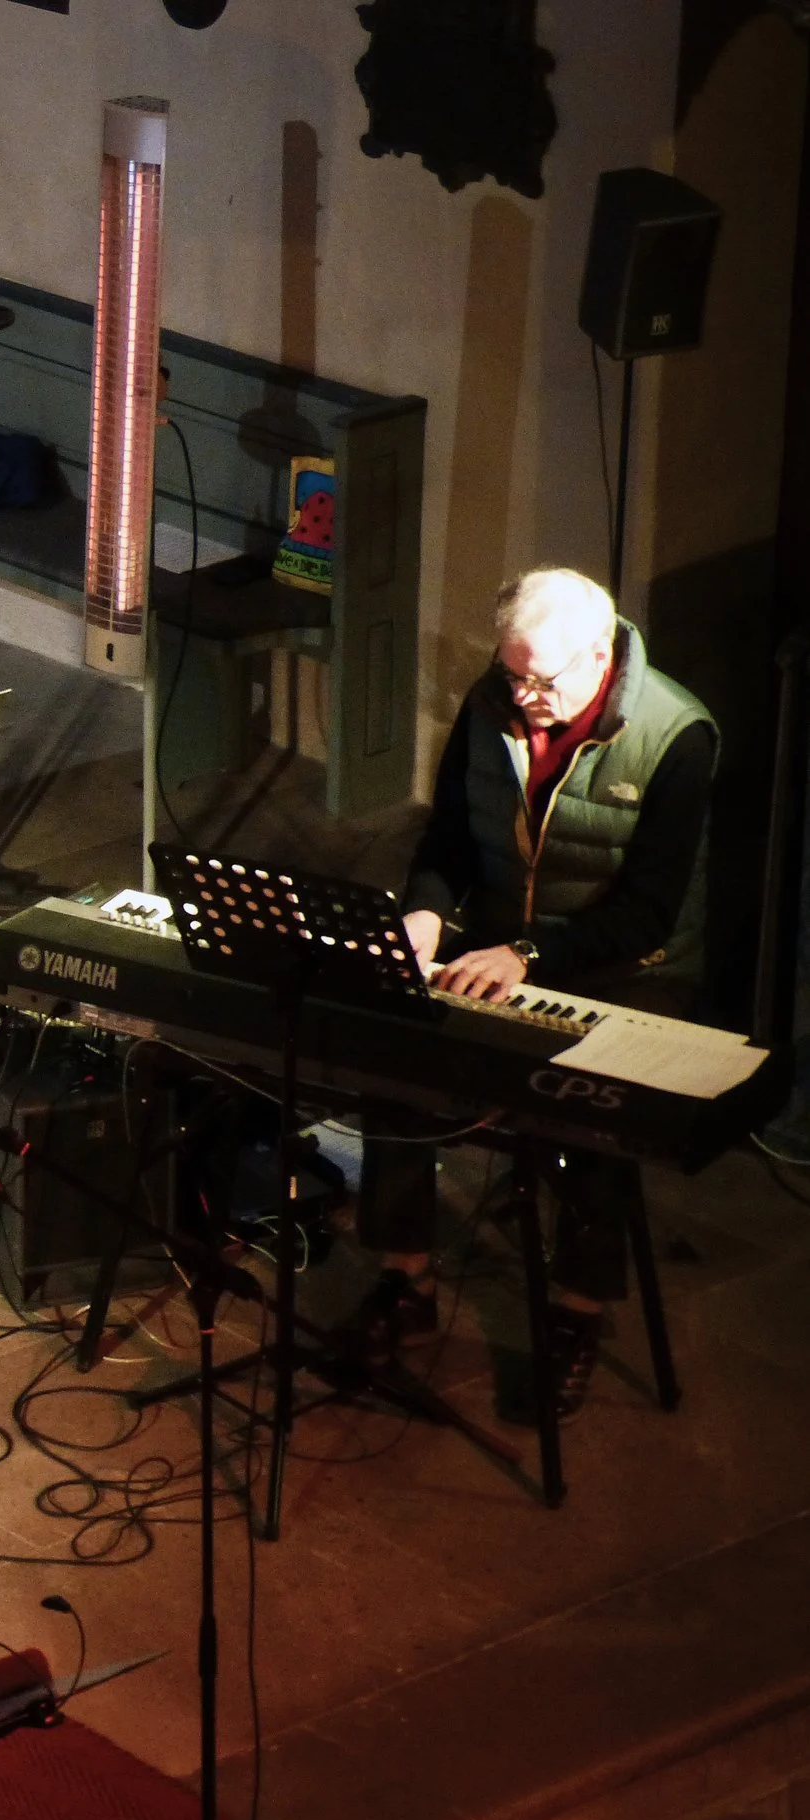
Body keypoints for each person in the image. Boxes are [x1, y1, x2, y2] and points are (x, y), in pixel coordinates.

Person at [360, 566, 717, 1419]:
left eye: (541, 681)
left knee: (589, 1106)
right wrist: (424, 914)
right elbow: (448, 838)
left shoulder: (678, 733)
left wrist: (526, 952)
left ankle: (575, 1315)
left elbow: (647, 911)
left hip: (628, 966)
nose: (523, 697)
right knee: (393, 1053)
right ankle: (405, 1279)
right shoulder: (492, 702)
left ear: (600, 654)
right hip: (500, 946)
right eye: (512, 674)